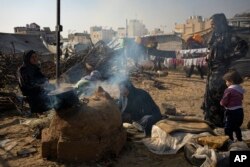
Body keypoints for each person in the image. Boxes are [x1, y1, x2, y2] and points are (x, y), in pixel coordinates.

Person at [220, 69, 244, 141]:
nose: (226, 83)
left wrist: (221, 103)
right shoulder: (240, 89)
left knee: (228, 127)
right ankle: (239, 139)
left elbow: (225, 100)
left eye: (226, 81)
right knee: (236, 126)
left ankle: (229, 140)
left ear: (231, 81)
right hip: (240, 110)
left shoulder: (229, 90)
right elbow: (241, 98)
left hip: (231, 112)